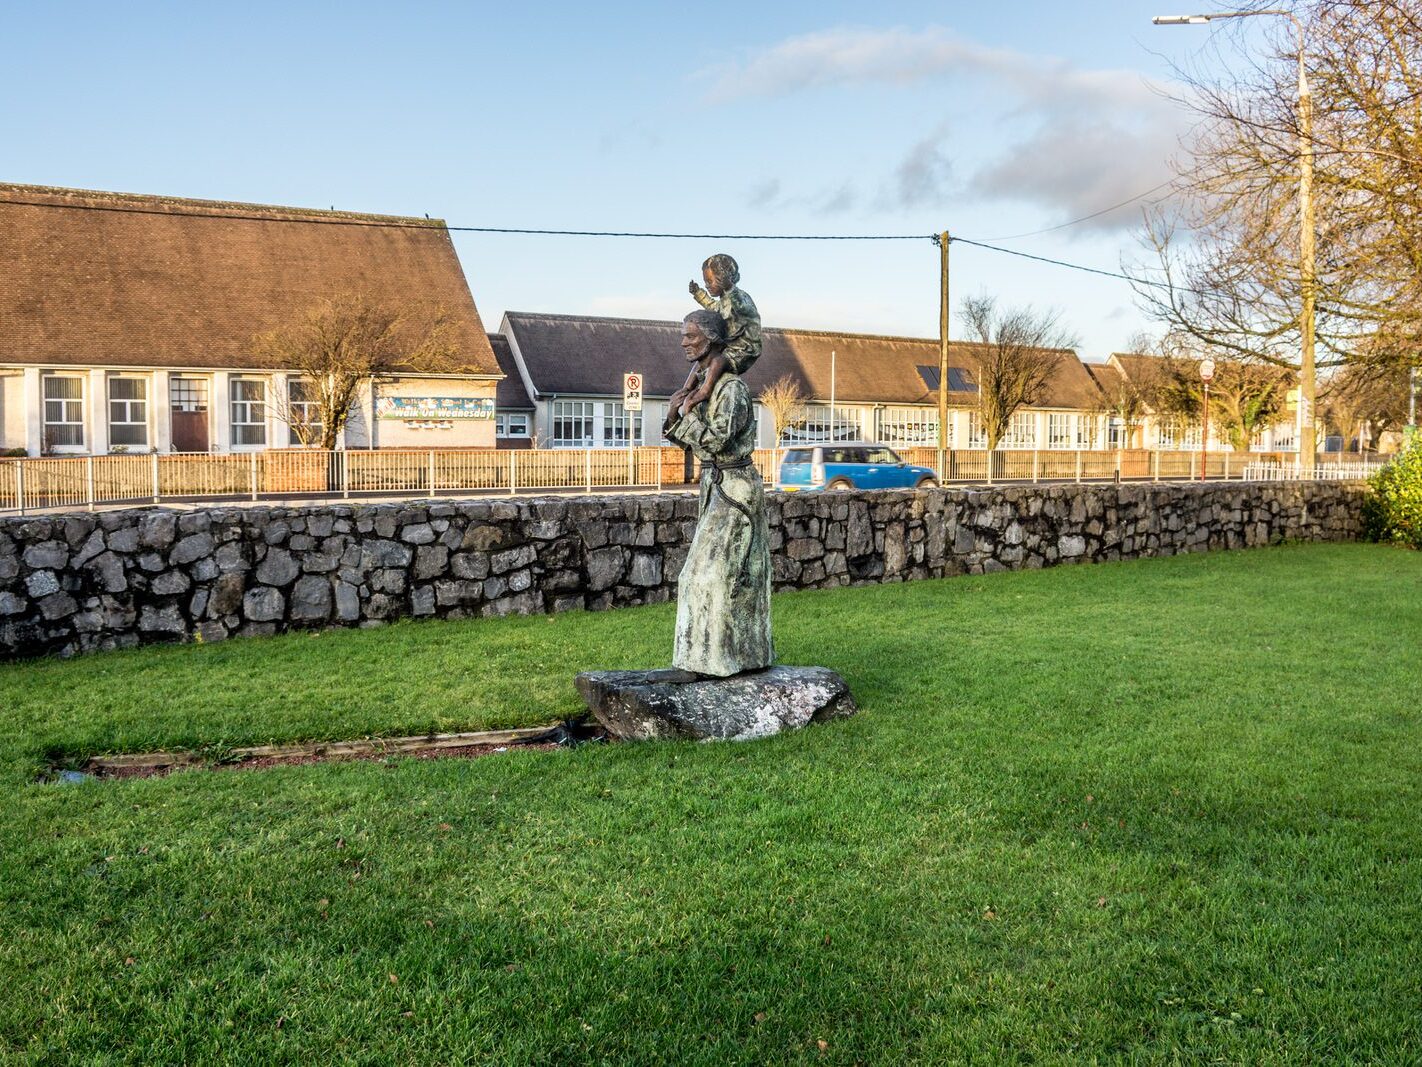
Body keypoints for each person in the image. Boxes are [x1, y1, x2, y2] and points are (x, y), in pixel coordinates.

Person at [664, 309, 774, 677]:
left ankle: (717, 659)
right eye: (683, 335)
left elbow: (716, 441)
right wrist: (675, 412)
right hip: (716, 486)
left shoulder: (732, 389)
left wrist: (687, 416)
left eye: (691, 336)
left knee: (709, 576)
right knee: (713, 577)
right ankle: (711, 658)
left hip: (735, 491)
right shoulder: (703, 389)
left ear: (710, 339)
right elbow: (693, 440)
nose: (684, 343)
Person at [665, 254, 761, 431]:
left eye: (710, 282)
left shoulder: (739, 299)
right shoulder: (724, 300)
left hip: (744, 348)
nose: (708, 286)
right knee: (700, 365)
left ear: (724, 278)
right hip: (731, 343)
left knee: (717, 360)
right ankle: (685, 390)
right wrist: (698, 293)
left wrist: (713, 332)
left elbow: (731, 317)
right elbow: (713, 308)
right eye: (705, 282)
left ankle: (704, 391)